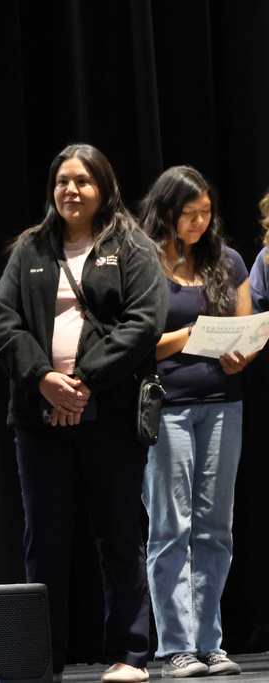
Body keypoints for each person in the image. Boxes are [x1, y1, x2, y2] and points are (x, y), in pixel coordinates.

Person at [0, 143, 166, 683]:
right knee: (44, 542)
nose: (71, 190)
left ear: (103, 188)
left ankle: (130, 655)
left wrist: (83, 383)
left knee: (118, 535)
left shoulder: (131, 245)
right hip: (38, 418)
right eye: (63, 181)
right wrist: (46, 381)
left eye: (83, 181)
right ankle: (43, 659)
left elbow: (144, 322)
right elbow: (4, 323)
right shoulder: (30, 248)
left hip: (110, 413)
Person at [138, 167, 250, 678]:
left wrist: (239, 354)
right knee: (170, 527)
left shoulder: (226, 260)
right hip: (169, 405)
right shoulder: (142, 262)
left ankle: (211, 642)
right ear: (166, 212)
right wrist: (185, 337)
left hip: (223, 402)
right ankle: (175, 646)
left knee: (215, 529)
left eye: (206, 213)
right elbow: (132, 342)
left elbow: (245, 328)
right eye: (189, 214)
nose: (200, 222)